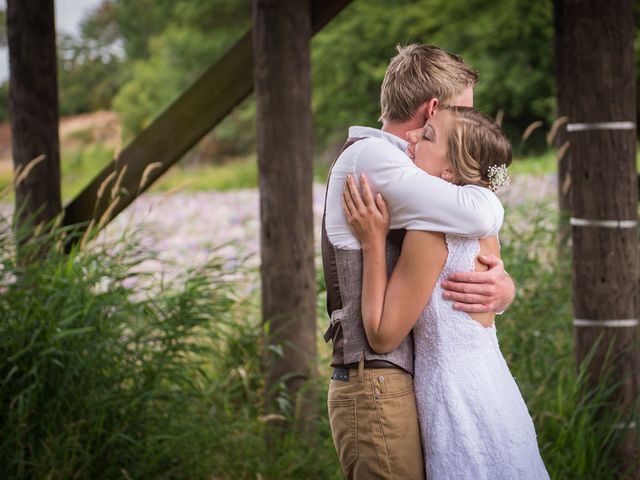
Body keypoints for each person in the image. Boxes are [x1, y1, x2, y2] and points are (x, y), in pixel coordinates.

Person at [322, 44, 515, 479]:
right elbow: (482, 213)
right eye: (463, 113)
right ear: (432, 110)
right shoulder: (376, 159)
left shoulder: (409, 168)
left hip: (405, 382)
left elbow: (462, 247)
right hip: (374, 379)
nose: (471, 124)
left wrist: (503, 290)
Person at [342, 106, 549, 479]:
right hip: (496, 394)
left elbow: (382, 334)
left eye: (428, 135)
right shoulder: (483, 229)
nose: (412, 136)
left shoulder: (429, 234)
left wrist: (373, 243)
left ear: (449, 172)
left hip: (456, 402)